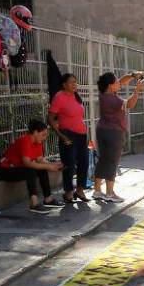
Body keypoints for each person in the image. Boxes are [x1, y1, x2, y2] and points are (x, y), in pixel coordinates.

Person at [94, 71, 144, 203]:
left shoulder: (104, 94)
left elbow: (122, 81)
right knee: (112, 162)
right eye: (116, 82)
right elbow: (131, 104)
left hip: (102, 130)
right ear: (110, 85)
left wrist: (132, 76)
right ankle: (110, 193)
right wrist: (137, 90)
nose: (119, 83)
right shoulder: (115, 100)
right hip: (114, 133)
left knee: (103, 160)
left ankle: (97, 190)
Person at [0, 119, 63, 212]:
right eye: (43, 134)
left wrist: (54, 165)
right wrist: (49, 166)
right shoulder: (25, 140)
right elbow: (27, 163)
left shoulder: (38, 142)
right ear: (35, 132)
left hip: (18, 168)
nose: (45, 137)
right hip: (5, 170)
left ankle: (48, 199)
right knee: (30, 170)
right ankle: (34, 204)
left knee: (42, 169)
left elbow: (40, 160)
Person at [48, 72, 90, 204]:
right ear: (64, 84)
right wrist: (61, 135)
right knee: (69, 164)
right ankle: (68, 192)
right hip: (68, 134)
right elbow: (50, 118)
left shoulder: (76, 96)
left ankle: (80, 189)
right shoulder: (59, 97)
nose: (74, 84)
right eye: (71, 82)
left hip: (81, 134)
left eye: (75, 82)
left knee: (84, 162)